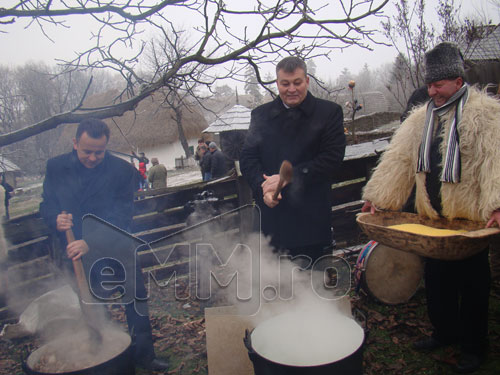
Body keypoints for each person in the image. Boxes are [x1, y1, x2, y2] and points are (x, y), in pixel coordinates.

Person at [361, 42, 500, 373]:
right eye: (429, 84)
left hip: (469, 222)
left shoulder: (486, 114)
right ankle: (444, 333)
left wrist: (497, 203)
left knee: (473, 285)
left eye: (438, 84)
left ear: (456, 80)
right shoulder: (421, 118)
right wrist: (377, 197)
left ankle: (474, 346)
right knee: (438, 281)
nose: (432, 91)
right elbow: (399, 159)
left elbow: (495, 161)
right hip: (432, 219)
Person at [39, 118, 169, 371]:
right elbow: (46, 203)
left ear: (106, 146)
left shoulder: (121, 171)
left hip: (115, 245)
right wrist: (54, 217)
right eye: (87, 151)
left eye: (99, 152)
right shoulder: (56, 168)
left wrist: (91, 241)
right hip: (75, 251)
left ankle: (144, 356)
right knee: (91, 305)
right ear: (75, 143)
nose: (92, 157)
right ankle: (103, 355)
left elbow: (122, 216)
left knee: (135, 300)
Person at [239, 56, 346, 263]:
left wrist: (289, 177)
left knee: (312, 288)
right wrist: (263, 186)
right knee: (270, 289)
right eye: (285, 83)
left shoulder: (329, 113)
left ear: (306, 80)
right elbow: (248, 157)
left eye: (297, 82)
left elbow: (331, 159)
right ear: (277, 84)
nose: (291, 89)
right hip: (270, 222)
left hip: (311, 223)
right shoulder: (260, 115)